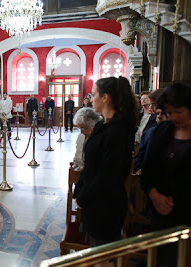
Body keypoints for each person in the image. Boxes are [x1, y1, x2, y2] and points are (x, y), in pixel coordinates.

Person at [73, 77, 136, 263]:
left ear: (105, 97)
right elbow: (90, 164)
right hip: (94, 202)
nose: (91, 99)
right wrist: (79, 191)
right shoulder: (102, 124)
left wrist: (84, 197)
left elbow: (108, 174)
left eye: (93, 95)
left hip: (106, 204)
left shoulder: (118, 131)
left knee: (103, 259)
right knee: (96, 253)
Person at [142, 83, 191, 266]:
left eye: (179, 112)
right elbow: (148, 169)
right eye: (169, 113)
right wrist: (155, 195)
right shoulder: (163, 131)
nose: (173, 118)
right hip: (161, 213)